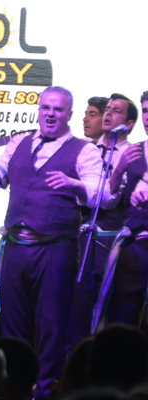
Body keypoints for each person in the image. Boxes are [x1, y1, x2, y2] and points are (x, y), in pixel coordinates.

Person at [0, 86, 105, 400]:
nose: (50, 114)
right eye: (45, 107)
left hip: (55, 249)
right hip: (16, 247)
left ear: (68, 115)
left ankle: (47, 393)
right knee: (13, 325)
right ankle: (14, 390)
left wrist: (73, 184)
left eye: (57, 109)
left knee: (51, 326)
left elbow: (98, 194)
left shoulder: (84, 150)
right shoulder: (18, 142)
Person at [67, 93, 139, 354]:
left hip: (111, 243)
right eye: (107, 109)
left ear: (129, 123)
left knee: (105, 312)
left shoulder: (134, 155)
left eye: (116, 110)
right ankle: (72, 366)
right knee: (73, 311)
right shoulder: (84, 150)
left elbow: (115, 199)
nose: (108, 113)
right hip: (78, 239)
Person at [102, 90, 148, 327]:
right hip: (134, 245)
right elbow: (110, 197)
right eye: (146, 111)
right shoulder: (134, 151)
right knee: (122, 318)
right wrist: (119, 169)